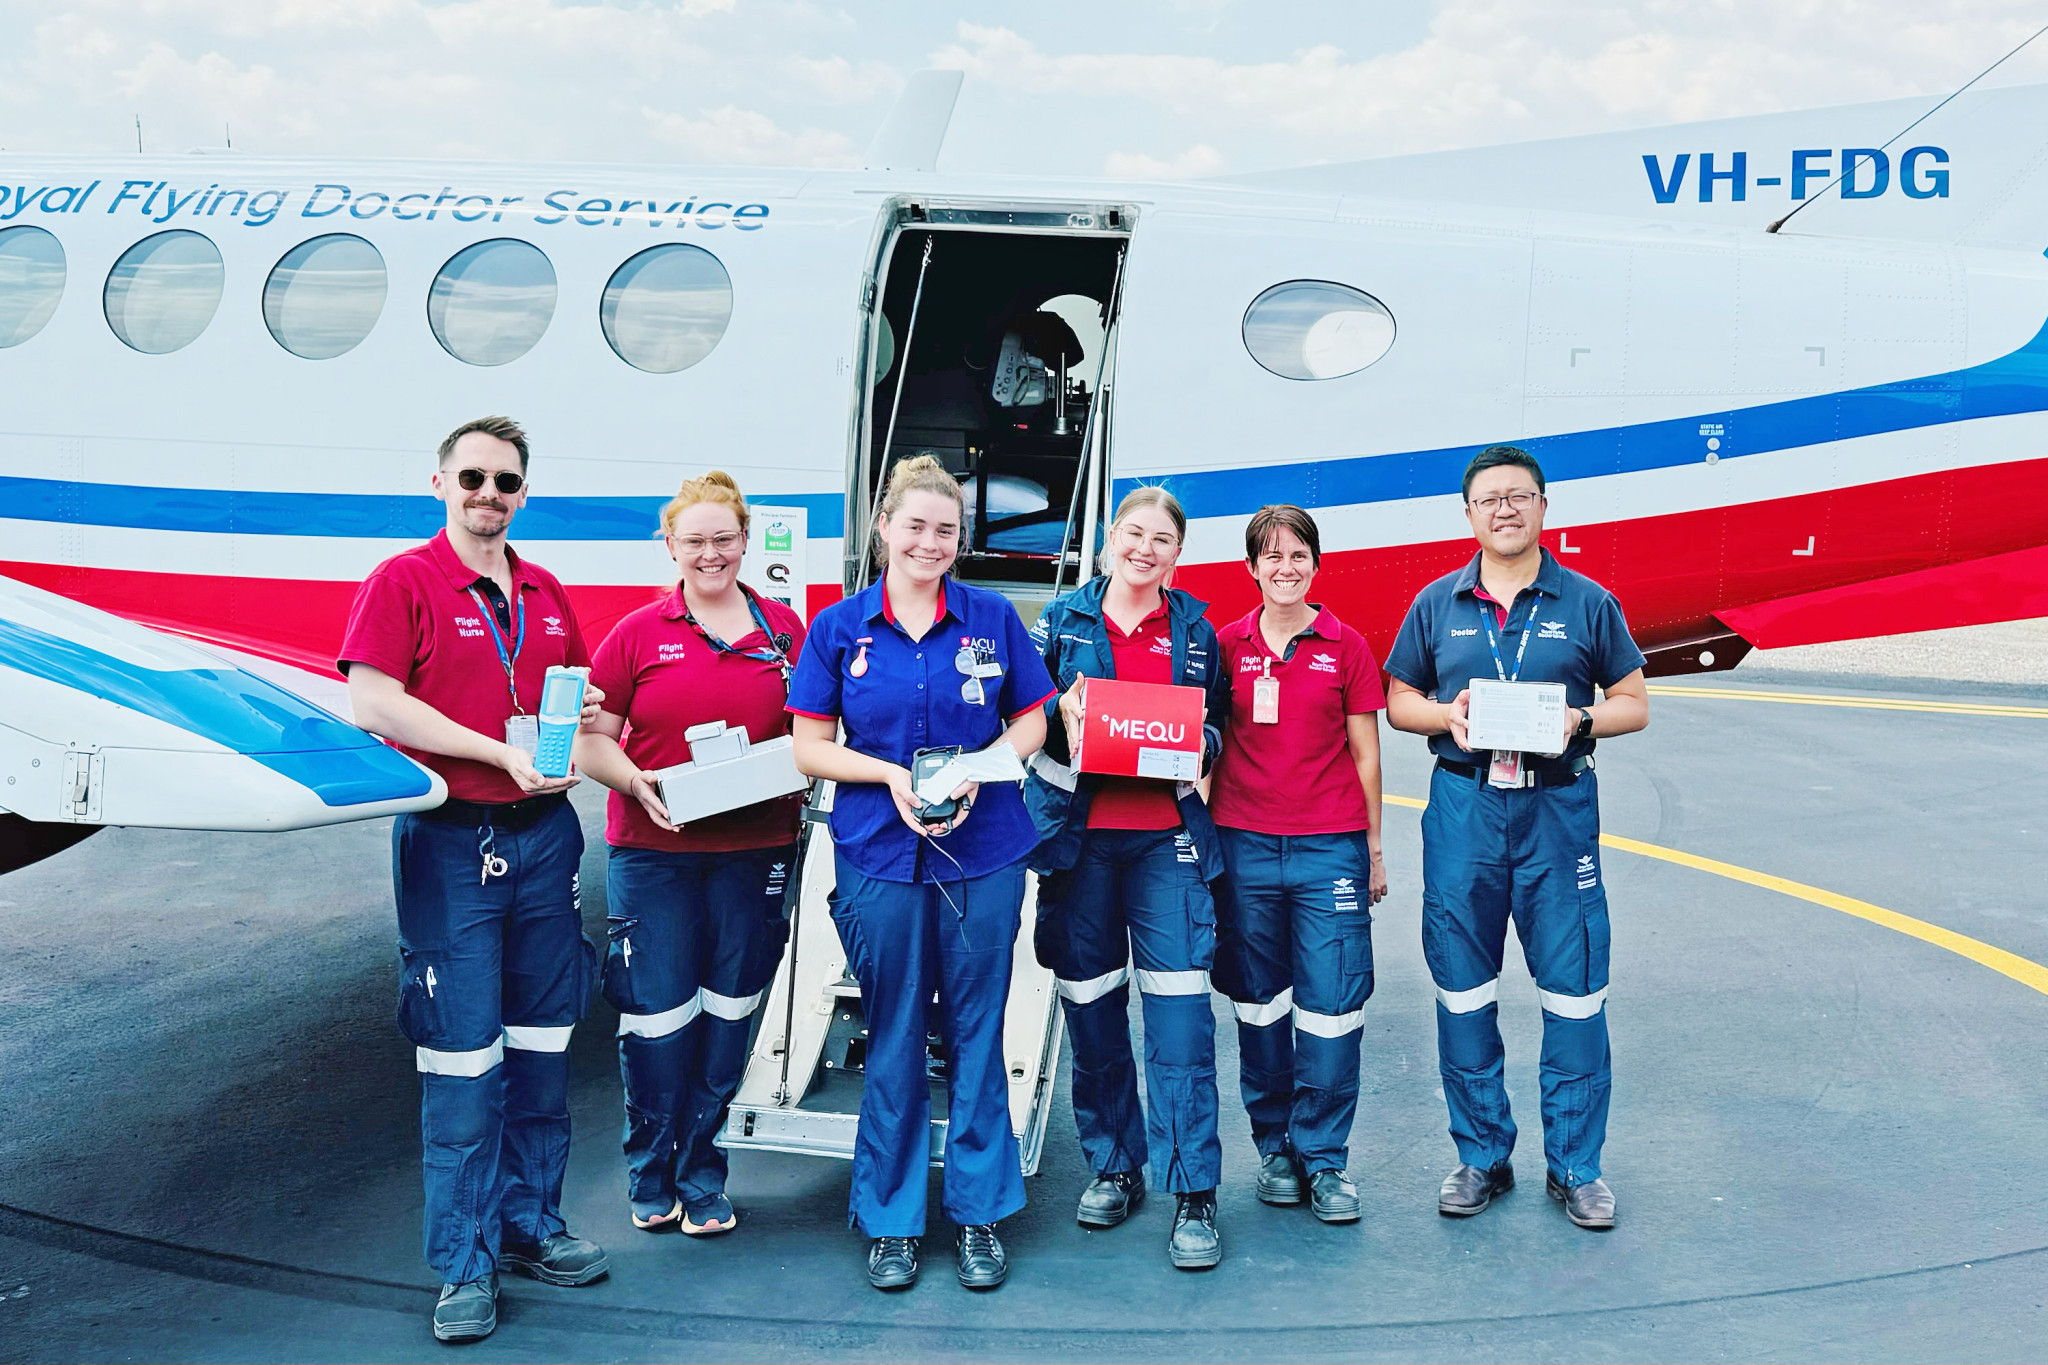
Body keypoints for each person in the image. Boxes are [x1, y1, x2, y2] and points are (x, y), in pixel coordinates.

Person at [340, 416, 610, 1344]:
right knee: (463, 1062)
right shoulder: (404, 581)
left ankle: (531, 1224)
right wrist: (494, 748)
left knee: (542, 1047)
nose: (488, 494)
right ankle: (463, 1263)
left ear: (524, 493)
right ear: (440, 483)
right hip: (454, 844)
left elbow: (564, 708)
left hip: (544, 839)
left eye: (505, 481)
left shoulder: (545, 589)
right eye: (473, 478)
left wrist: (607, 737)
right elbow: (372, 695)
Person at [786, 455, 1054, 1293]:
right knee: (894, 1033)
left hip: (985, 852)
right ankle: (894, 1220)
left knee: (980, 1031)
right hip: (878, 852)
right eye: (916, 526)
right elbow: (809, 745)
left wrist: (982, 765)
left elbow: (1034, 721)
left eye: (946, 530)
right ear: (884, 529)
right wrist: (891, 776)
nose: (930, 542)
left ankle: (976, 1215)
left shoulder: (992, 617)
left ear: (959, 539)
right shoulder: (839, 627)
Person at [1384, 445, 1649, 1232]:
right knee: (1463, 988)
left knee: (1574, 992)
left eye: (1519, 496)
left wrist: (1582, 719)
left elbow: (1634, 700)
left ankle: (1575, 1165)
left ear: (1543, 506)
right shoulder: (1437, 601)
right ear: (1468, 514)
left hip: (1555, 811)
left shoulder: (1588, 600)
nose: (1505, 509)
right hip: (1466, 811)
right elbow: (1401, 698)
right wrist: (1447, 716)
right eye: (1489, 499)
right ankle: (1482, 1155)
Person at [574, 471, 806, 1239]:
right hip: (655, 853)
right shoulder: (636, 634)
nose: (710, 553)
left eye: (724, 538)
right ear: (669, 545)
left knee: (729, 1014)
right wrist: (637, 781)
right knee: (656, 1016)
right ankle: (650, 1167)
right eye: (694, 540)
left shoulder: (783, 631)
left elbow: (816, 731)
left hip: (756, 849)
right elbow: (591, 738)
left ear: (745, 541)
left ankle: (703, 1169)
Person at [1024, 485, 1233, 1270]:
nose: (1146, 549)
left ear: (1178, 553)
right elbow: (1019, 719)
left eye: (1163, 540)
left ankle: (1194, 1193)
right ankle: (1116, 1165)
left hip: (1166, 847)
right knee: (1094, 1015)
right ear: (1109, 539)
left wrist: (1198, 742)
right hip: (1079, 849)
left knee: (1181, 1024)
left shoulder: (1197, 632)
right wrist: (1060, 714)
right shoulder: (1060, 622)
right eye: (1134, 534)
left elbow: (1216, 724)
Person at [1208, 504, 1388, 1224]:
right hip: (1244, 847)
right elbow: (1204, 744)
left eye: (1299, 555)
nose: (1286, 567)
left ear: (1317, 564)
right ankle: (1275, 1148)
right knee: (1259, 1004)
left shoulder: (1345, 646)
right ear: (1252, 567)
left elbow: (1367, 756)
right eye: (1271, 555)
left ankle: (1325, 1159)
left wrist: (1373, 848)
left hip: (1328, 849)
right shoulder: (1224, 645)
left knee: (1333, 1009)